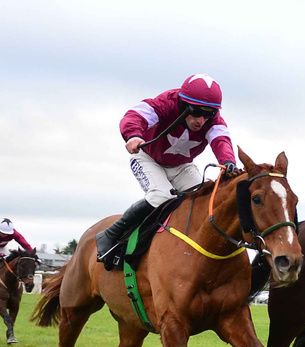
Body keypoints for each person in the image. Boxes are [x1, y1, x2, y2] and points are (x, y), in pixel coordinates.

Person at [96, 74, 238, 263]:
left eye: (208, 114)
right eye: (196, 112)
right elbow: (134, 116)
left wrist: (228, 161)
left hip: (181, 165)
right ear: (183, 104)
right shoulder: (165, 103)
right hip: (147, 158)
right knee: (162, 196)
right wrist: (133, 135)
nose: (201, 121)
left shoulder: (214, 121)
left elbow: (221, 141)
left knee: (203, 200)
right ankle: (111, 235)